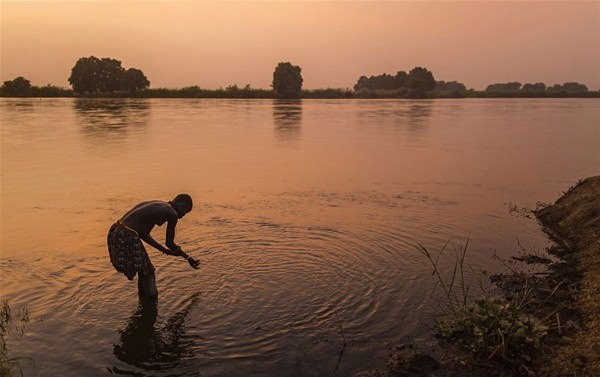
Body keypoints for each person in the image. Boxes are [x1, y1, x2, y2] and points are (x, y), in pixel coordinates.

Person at [107, 194, 200, 298]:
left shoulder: (160, 206)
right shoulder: (172, 213)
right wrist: (186, 257)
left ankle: (143, 300)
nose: (182, 216)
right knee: (149, 272)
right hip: (127, 235)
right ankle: (152, 301)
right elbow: (170, 243)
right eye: (185, 212)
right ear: (181, 205)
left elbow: (143, 234)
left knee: (144, 270)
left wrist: (165, 250)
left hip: (116, 230)